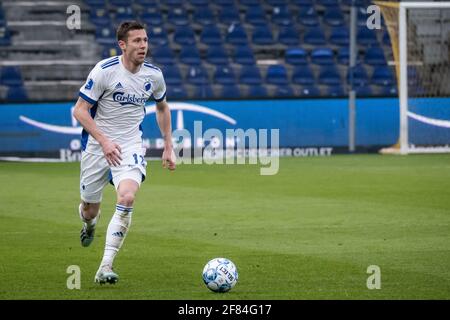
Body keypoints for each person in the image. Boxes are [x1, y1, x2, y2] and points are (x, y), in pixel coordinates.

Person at [73, 21, 176, 285]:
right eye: (137, 41)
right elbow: (80, 111)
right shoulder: (105, 71)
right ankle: (89, 225)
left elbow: (162, 108)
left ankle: (105, 265)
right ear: (122, 44)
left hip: (130, 144)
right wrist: (104, 141)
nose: (143, 46)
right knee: (89, 208)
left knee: (127, 197)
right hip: (98, 146)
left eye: (145, 40)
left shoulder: (153, 76)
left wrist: (168, 146)